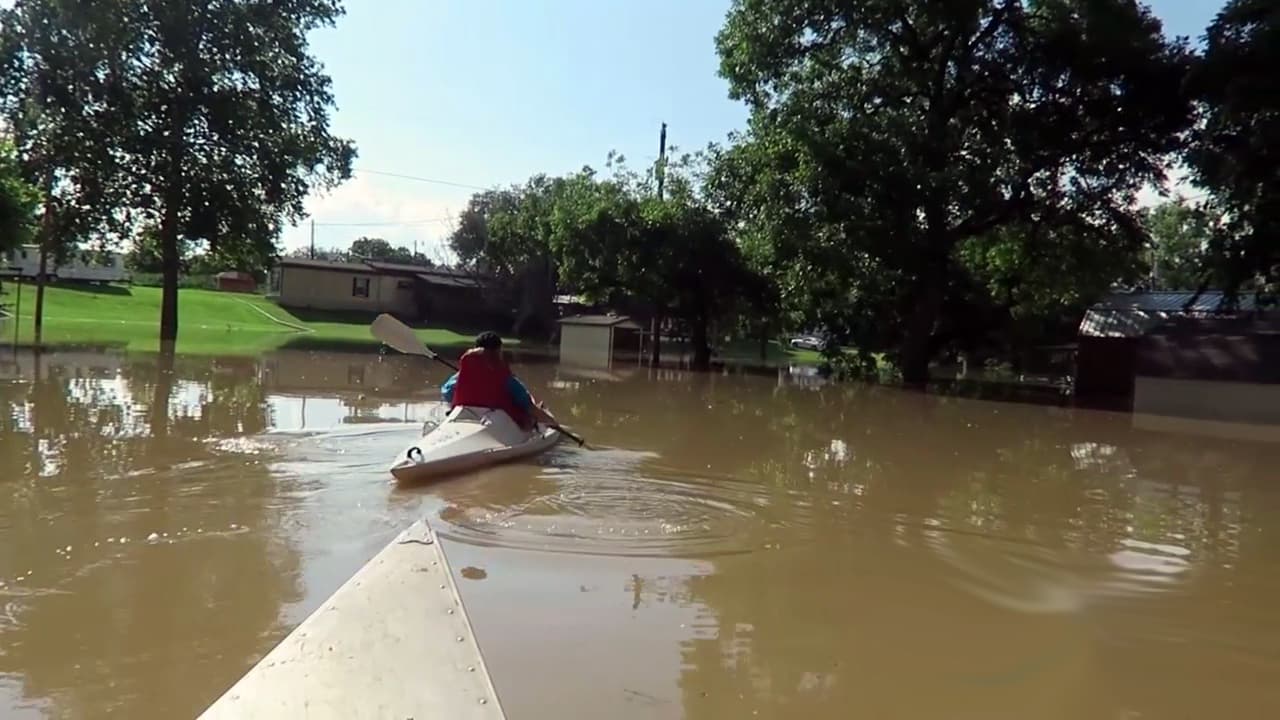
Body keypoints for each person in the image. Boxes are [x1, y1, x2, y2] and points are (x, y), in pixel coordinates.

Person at [440, 331, 557, 431]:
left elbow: (447, 392)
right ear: (498, 352)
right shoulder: (507, 379)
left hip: (464, 416)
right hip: (498, 425)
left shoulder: (461, 376)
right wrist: (552, 422)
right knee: (529, 415)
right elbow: (529, 407)